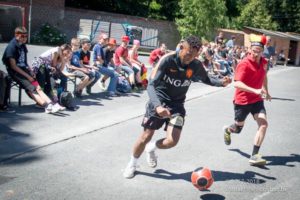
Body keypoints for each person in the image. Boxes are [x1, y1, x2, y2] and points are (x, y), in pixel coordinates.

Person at [123, 35, 232, 178]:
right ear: (181, 47)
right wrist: (158, 107)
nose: (190, 58)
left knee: (172, 141)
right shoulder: (167, 60)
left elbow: (206, 78)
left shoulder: (196, 65)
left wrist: (220, 82)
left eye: (194, 55)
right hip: (159, 101)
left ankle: (152, 147)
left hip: (177, 106)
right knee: (146, 136)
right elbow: (151, 85)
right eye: (188, 54)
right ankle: (132, 163)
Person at [223, 34, 271, 166]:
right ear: (250, 50)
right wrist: (255, 90)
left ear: (262, 51)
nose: (256, 54)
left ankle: (255, 155)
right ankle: (228, 130)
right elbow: (237, 83)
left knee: (263, 124)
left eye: (259, 51)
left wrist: (265, 90)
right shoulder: (244, 64)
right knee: (238, 128)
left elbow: (264, 76)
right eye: (254, 51)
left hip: (257, 100)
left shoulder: (265, 62)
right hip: (242, 101)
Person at [2, 26, 60, 114]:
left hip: (24, 70)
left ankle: (50, 103)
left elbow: (24, 62)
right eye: (22, 36)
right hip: (16, 72)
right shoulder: (11, 47)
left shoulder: (22, 46)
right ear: (16, 35)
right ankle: (46, 106)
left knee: (38, 88)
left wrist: (31, 71)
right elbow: (13, 66)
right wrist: (28, 76)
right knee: (32, 89)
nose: (25, 38)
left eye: (26, 36)